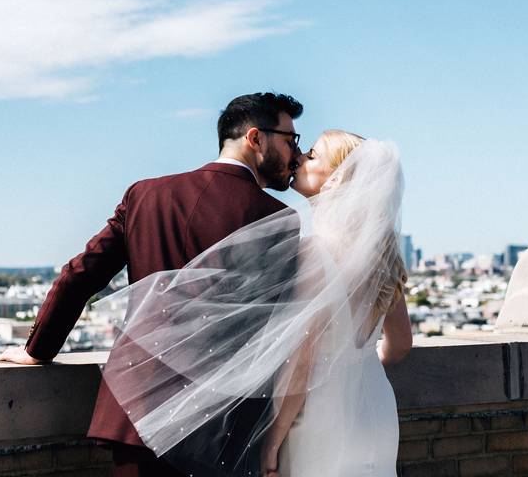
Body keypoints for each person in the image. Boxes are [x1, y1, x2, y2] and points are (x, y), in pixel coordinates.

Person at [0, 92, 304, 477]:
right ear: (256, 138)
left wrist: (38, 349)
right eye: (291, 140)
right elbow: (271, 331)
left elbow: (81, 273)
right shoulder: (277, 218)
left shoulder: (146, 194)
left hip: (136, 412)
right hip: (221, 425)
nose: (296, 154)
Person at [101, 130, 412, 477]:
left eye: (312, 155)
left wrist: (273, 442)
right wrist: (357, 363)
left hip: (322, 413)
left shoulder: (315, 252)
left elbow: (302, 360)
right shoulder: (383, 257)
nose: (299, 158)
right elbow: (400, 344)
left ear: (336, 178)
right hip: (376, 406)